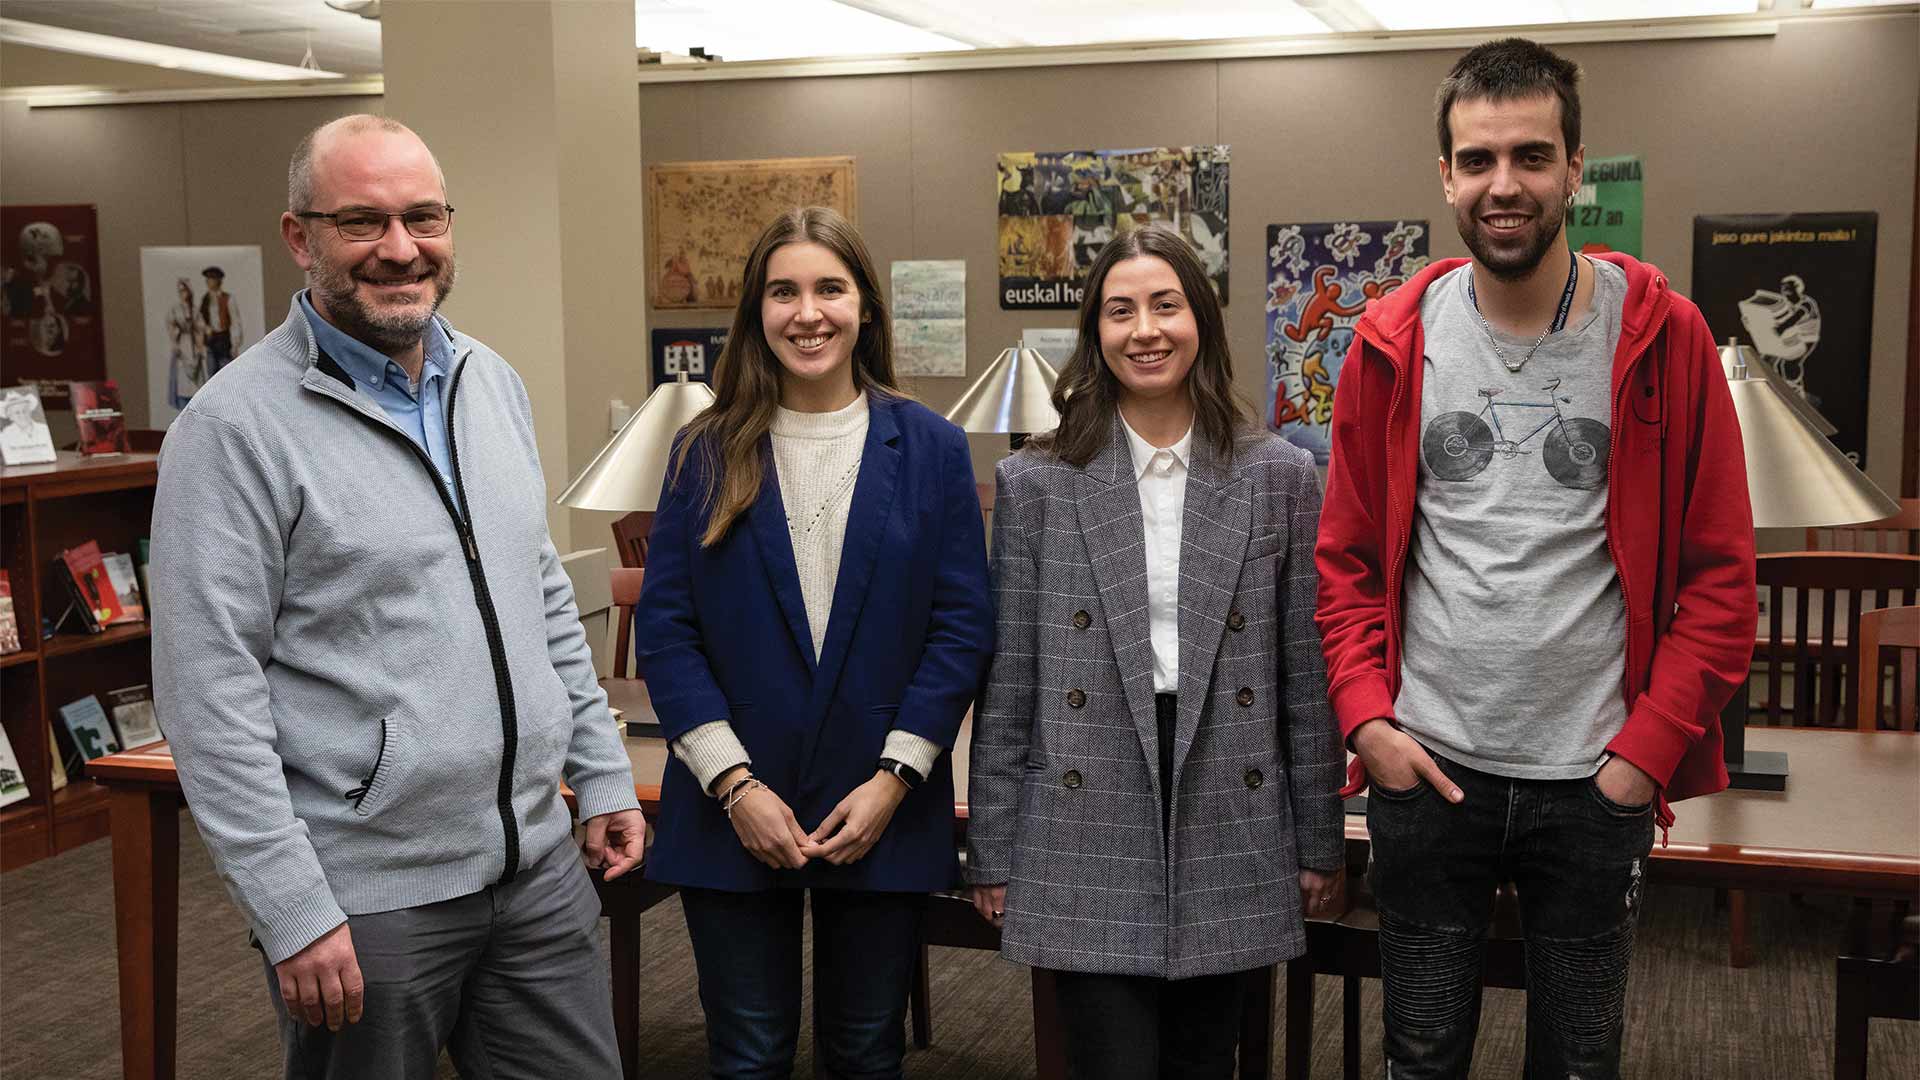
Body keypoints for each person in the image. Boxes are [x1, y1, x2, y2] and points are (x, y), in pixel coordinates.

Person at [150, 114, 645, 1078]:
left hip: (536, 868)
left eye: (423, 217)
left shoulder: (490, 383)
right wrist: (291, 907)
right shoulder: (232, 431)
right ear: (300, 237)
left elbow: (538, 594)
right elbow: (209, 696)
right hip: (369, 902)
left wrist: (602, 765)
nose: (400, 248)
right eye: (362, 222)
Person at [1314, 39, 1756, 1079]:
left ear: (1575, 168)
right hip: (1427, 773)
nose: (1502, 185)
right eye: (1478, 161)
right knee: (1419, 1056)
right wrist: (1368, 721)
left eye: (1529, 156)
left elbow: (1722, 582)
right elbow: (1346, 565)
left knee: (1579, 1060)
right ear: (1446, 178)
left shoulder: (1666, 336)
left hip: (1592, 783)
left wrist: (1641, 758)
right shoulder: (1390, 339)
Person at [966, 223, 1345, 1080]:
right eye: (1120, 310)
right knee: (1111, 1062)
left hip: (1227, 793)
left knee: (1208, 1061)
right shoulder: (1038, 482)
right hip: (1087, 798)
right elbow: (1013, 680)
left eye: (1166, 305)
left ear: (1201, 319)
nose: (1145, 330)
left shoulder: (1277, 473)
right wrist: (992, 847)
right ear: (1095, 334)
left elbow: (1305, 680)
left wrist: (1320, 840)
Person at [637, 205, 993, 1079]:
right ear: (756, 312)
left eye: (830, 288)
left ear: (865, 305)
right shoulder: (704, 451)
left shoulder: (935, 450)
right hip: (733, 813)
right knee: (748, 1053)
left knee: (867, 1051)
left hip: (881, 807)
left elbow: (961, 629)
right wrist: (733, 785)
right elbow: (669, 632)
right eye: (784, 291)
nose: (809, 313)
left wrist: (894, 781)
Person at [166, 277, 206, 408]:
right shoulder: (175, 309)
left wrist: (200, 345)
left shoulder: (194, 310)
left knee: (196, 378)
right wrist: (175, 342)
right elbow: (171, 325)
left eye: (185, 291)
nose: (183, 294)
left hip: (193, 344)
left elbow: (201, 328)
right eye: (180, 291)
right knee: (183, 376)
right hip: (183, 343)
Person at [199, 264, 244, 377]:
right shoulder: (205, 300)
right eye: (208, 279)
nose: (209, 282)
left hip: (224, 341)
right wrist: (205, 329)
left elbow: (235, 321)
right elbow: (200, 319)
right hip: (210, 341)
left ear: (219, 281)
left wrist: (235, 344)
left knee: (226, 374)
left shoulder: (228, 298)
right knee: (211, 376)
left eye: (212, 279)